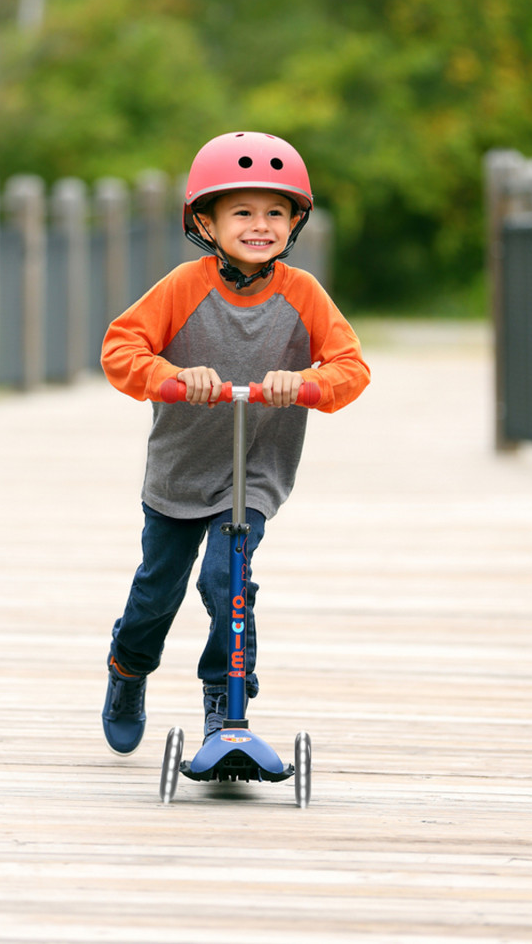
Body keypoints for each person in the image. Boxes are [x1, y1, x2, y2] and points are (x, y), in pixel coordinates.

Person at [99, 130, 369, 754]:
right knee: (156, 594)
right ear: (206, 221)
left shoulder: (302, 294)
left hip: (253, 473)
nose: (260, 225)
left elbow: (350, 368)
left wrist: (305, 383)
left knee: (229, 580)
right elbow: (121, 348)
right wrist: (169, 378)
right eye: (242, 212)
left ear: (295, 222)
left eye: (276, 212)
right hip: (180, 471)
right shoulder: (183, 287)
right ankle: (127, 668)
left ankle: (226, 700)